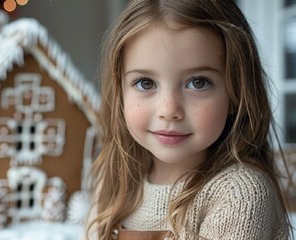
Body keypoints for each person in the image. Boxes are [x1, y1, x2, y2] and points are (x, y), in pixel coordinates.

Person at [85, 0, 293, 239]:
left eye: (198, 82)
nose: (169, 110)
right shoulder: (117, 182)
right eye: (145, 83)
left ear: (236, 92)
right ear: (120, 92)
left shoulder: (239, 196)